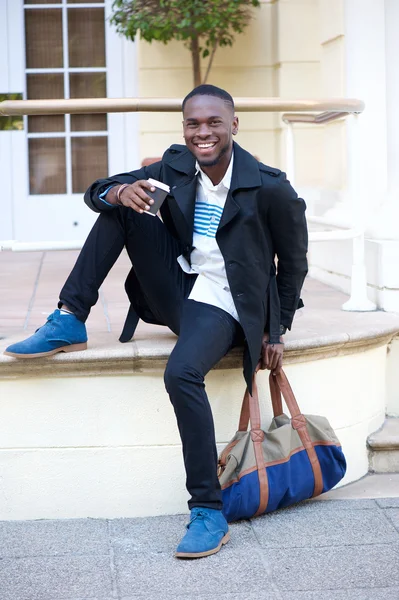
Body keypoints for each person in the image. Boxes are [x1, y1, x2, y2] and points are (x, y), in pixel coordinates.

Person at [5, 85, 308, 558]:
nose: (202, 132)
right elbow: (96, 193)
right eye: (193, 124)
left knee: (181, 373)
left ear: (233, 125)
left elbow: (292, 264)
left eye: (213, 123)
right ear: (184, 127)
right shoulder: (176, 165)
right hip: (179, 289)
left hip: (227, 302)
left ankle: (208, 510)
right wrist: (119, 190)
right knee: (124, 203)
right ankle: (69, 317)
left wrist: (277, 329)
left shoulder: (269, 187)